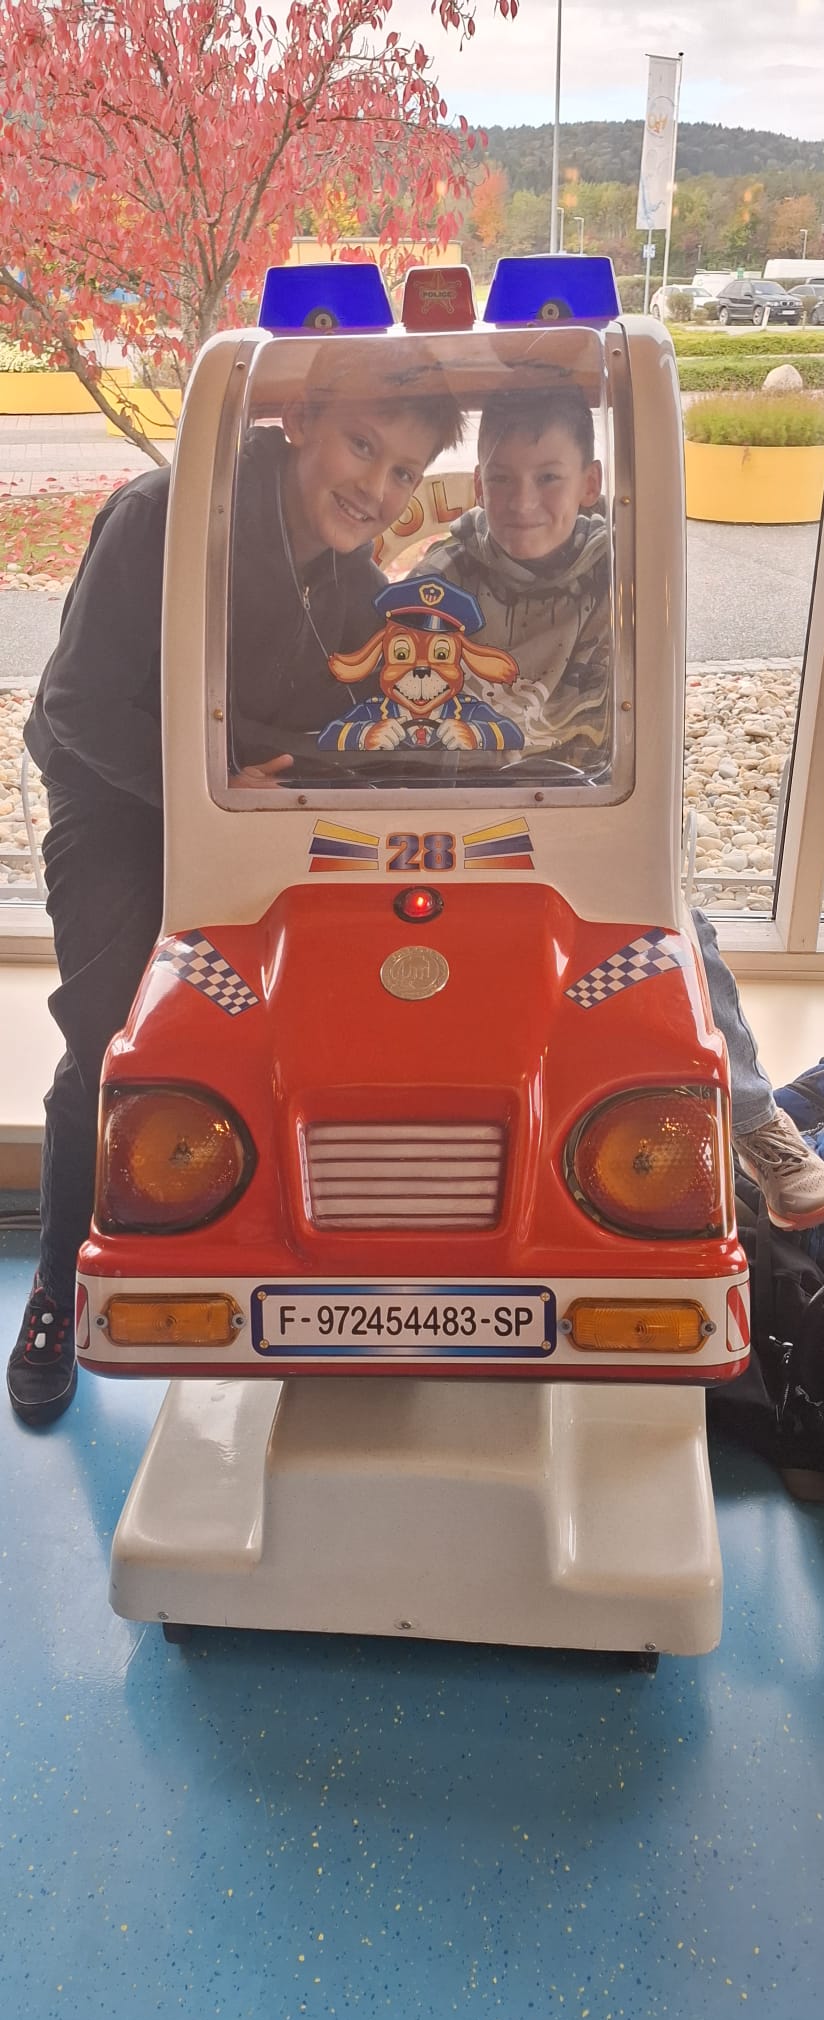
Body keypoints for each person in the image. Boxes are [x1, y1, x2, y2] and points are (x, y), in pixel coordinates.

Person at [7, 374, 465, 1426]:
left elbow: (367, 713)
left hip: (250, 803)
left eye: (404, 473)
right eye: (362, 447)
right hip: (121, 797)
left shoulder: (353, 582)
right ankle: (57, 1290)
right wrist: (208, 790)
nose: (378, 490)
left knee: (327, 1007)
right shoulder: (158, 514)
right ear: (297, 421)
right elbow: (72, 706)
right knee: (114, 1029)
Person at [421, 385, 824, 1234]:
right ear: (477, 483)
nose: (522, 501)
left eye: (547, 477)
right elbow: (412, 701)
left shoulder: (625, 575)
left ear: (590, 483)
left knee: (678, 932)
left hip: (586, 810)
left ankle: (756, 1121)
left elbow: (618, 718)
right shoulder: (441, 578)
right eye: (502, 478)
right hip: (462, 813)